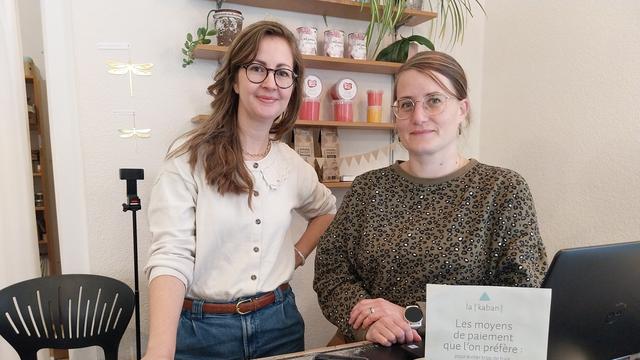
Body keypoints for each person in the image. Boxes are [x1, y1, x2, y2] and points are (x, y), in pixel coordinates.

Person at [313, 51, 547, 347]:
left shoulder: (502, 189)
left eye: (434, 100)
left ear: (462, 109)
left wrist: (414, 315)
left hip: (467, 350)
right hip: (373, 347)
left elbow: (524, 292)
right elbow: (331, 273)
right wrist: (369, 321)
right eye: (406, 105)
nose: (419, 116)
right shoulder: (367, 189)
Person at [143, 21, 337, 360]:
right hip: (204, 334)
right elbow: (170, 257)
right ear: (234, 78)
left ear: (292, 86)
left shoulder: (290, 164)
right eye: (257, 68)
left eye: (282, 73)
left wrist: (297, 255)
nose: (270, 83)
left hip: (280, 325)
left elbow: (326, 209)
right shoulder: (189, 158)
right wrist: (159, 350)